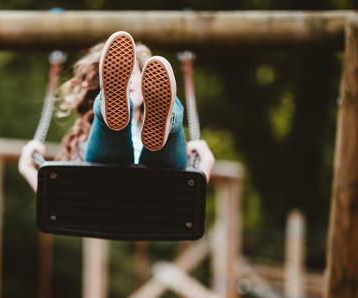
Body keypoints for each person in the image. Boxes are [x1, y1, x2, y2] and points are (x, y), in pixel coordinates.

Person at [19, 31, 215, 192]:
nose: (127, 80)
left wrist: (28, 168)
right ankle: (110, 115)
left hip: (153, 183)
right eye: (121, 76)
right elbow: (188, 201)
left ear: (148, 81)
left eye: (132, 74)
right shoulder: (82, 141)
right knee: (107, 136)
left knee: (166, 141)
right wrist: (205, 165)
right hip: (141, 192)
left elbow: (59, 204)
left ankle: (165, 123)